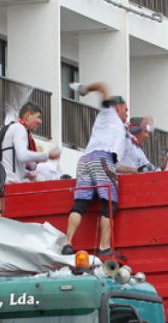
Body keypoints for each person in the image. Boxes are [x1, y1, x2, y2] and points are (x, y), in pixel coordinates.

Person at [63, 83, 129, 257]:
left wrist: (134, 171)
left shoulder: (109, 123)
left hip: (86, 160)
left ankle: (67, 242)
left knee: (80, 204)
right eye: (126, 110)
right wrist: (85, 89)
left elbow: (115, 165)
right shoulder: (109, 113)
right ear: (119, 107)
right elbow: (104, 87)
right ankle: (103, 247)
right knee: (109, 204)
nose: (126, 115)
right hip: (102, 158)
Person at [0, 101, 61, 184]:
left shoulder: (14, 128)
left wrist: (26, 173)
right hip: (12, 183)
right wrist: (47, 155)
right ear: (27, 116)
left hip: (9, 181)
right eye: (38, 117)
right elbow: (22, 155)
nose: (40, 122)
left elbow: (12, 161)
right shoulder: (20, 129)